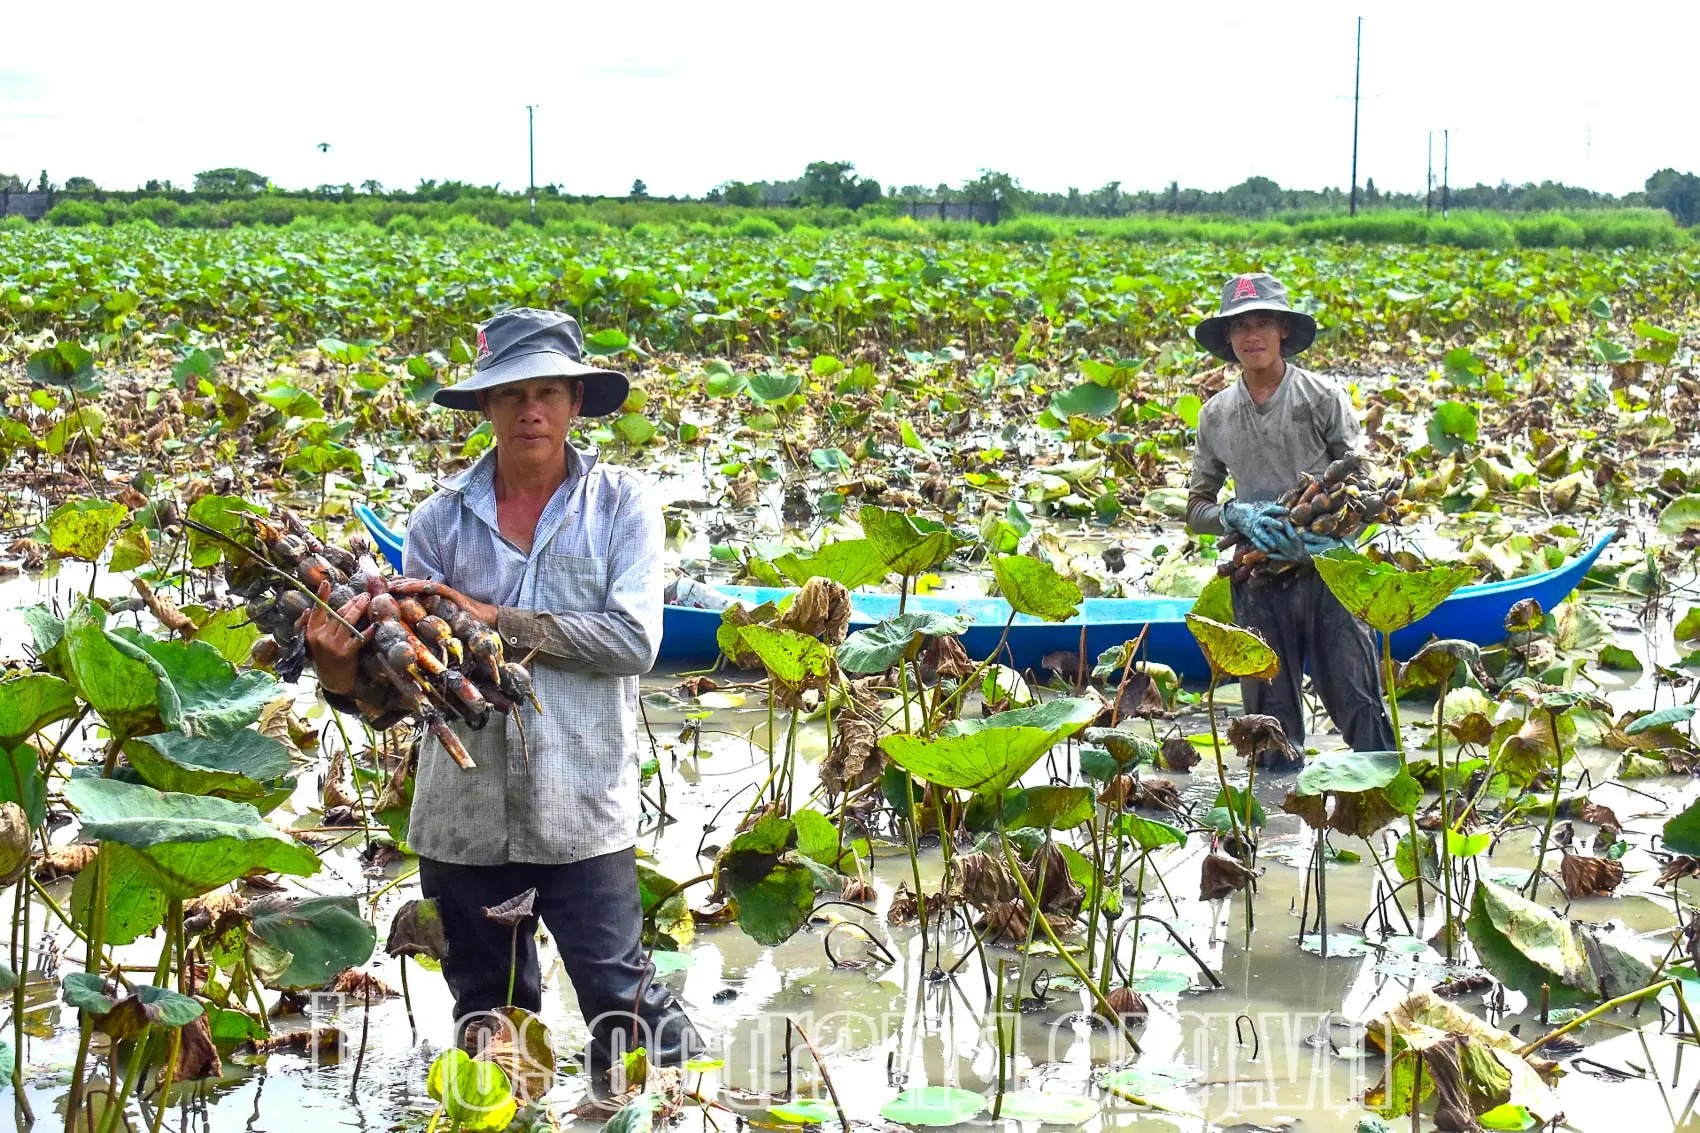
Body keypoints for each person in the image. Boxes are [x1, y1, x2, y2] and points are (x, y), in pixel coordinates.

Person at [306, 307, 704, 1077]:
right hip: (466, 822)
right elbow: (409, 697)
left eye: (549, 392)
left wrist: (499, 619)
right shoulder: (439, 523)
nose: (531, 410)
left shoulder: (621, 506)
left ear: (576, 403)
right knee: (490, 1023)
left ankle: (690, 1111)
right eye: (513, 393)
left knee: (626, 1012)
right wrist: (338, 677)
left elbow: (633, 641)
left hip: (582, 813)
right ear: (485, 406)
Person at [1186, 273, 1395, 760]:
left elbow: (1364, 490)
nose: (1251, 336)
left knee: (1360, 704)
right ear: (1228, 339)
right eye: (1240, 326)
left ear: (1282, 330)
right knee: (1269, 732)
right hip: (1257, 577)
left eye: (1263, 323)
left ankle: (1381, 821)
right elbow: (1197, 509)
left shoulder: (1322, 398)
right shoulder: (1215, 414)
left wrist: (1338, 538)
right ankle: (1277, 830)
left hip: (1330, 573)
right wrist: (1239, 514)